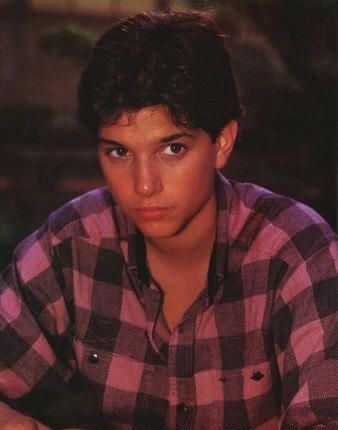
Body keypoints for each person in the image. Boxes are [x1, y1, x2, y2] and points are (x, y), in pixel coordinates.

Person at [0, 11, 337, 430]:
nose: (143, 186)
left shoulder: (298, 253)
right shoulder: (73, 242)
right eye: (119, 152)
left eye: (172, 149)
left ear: (221, 143)